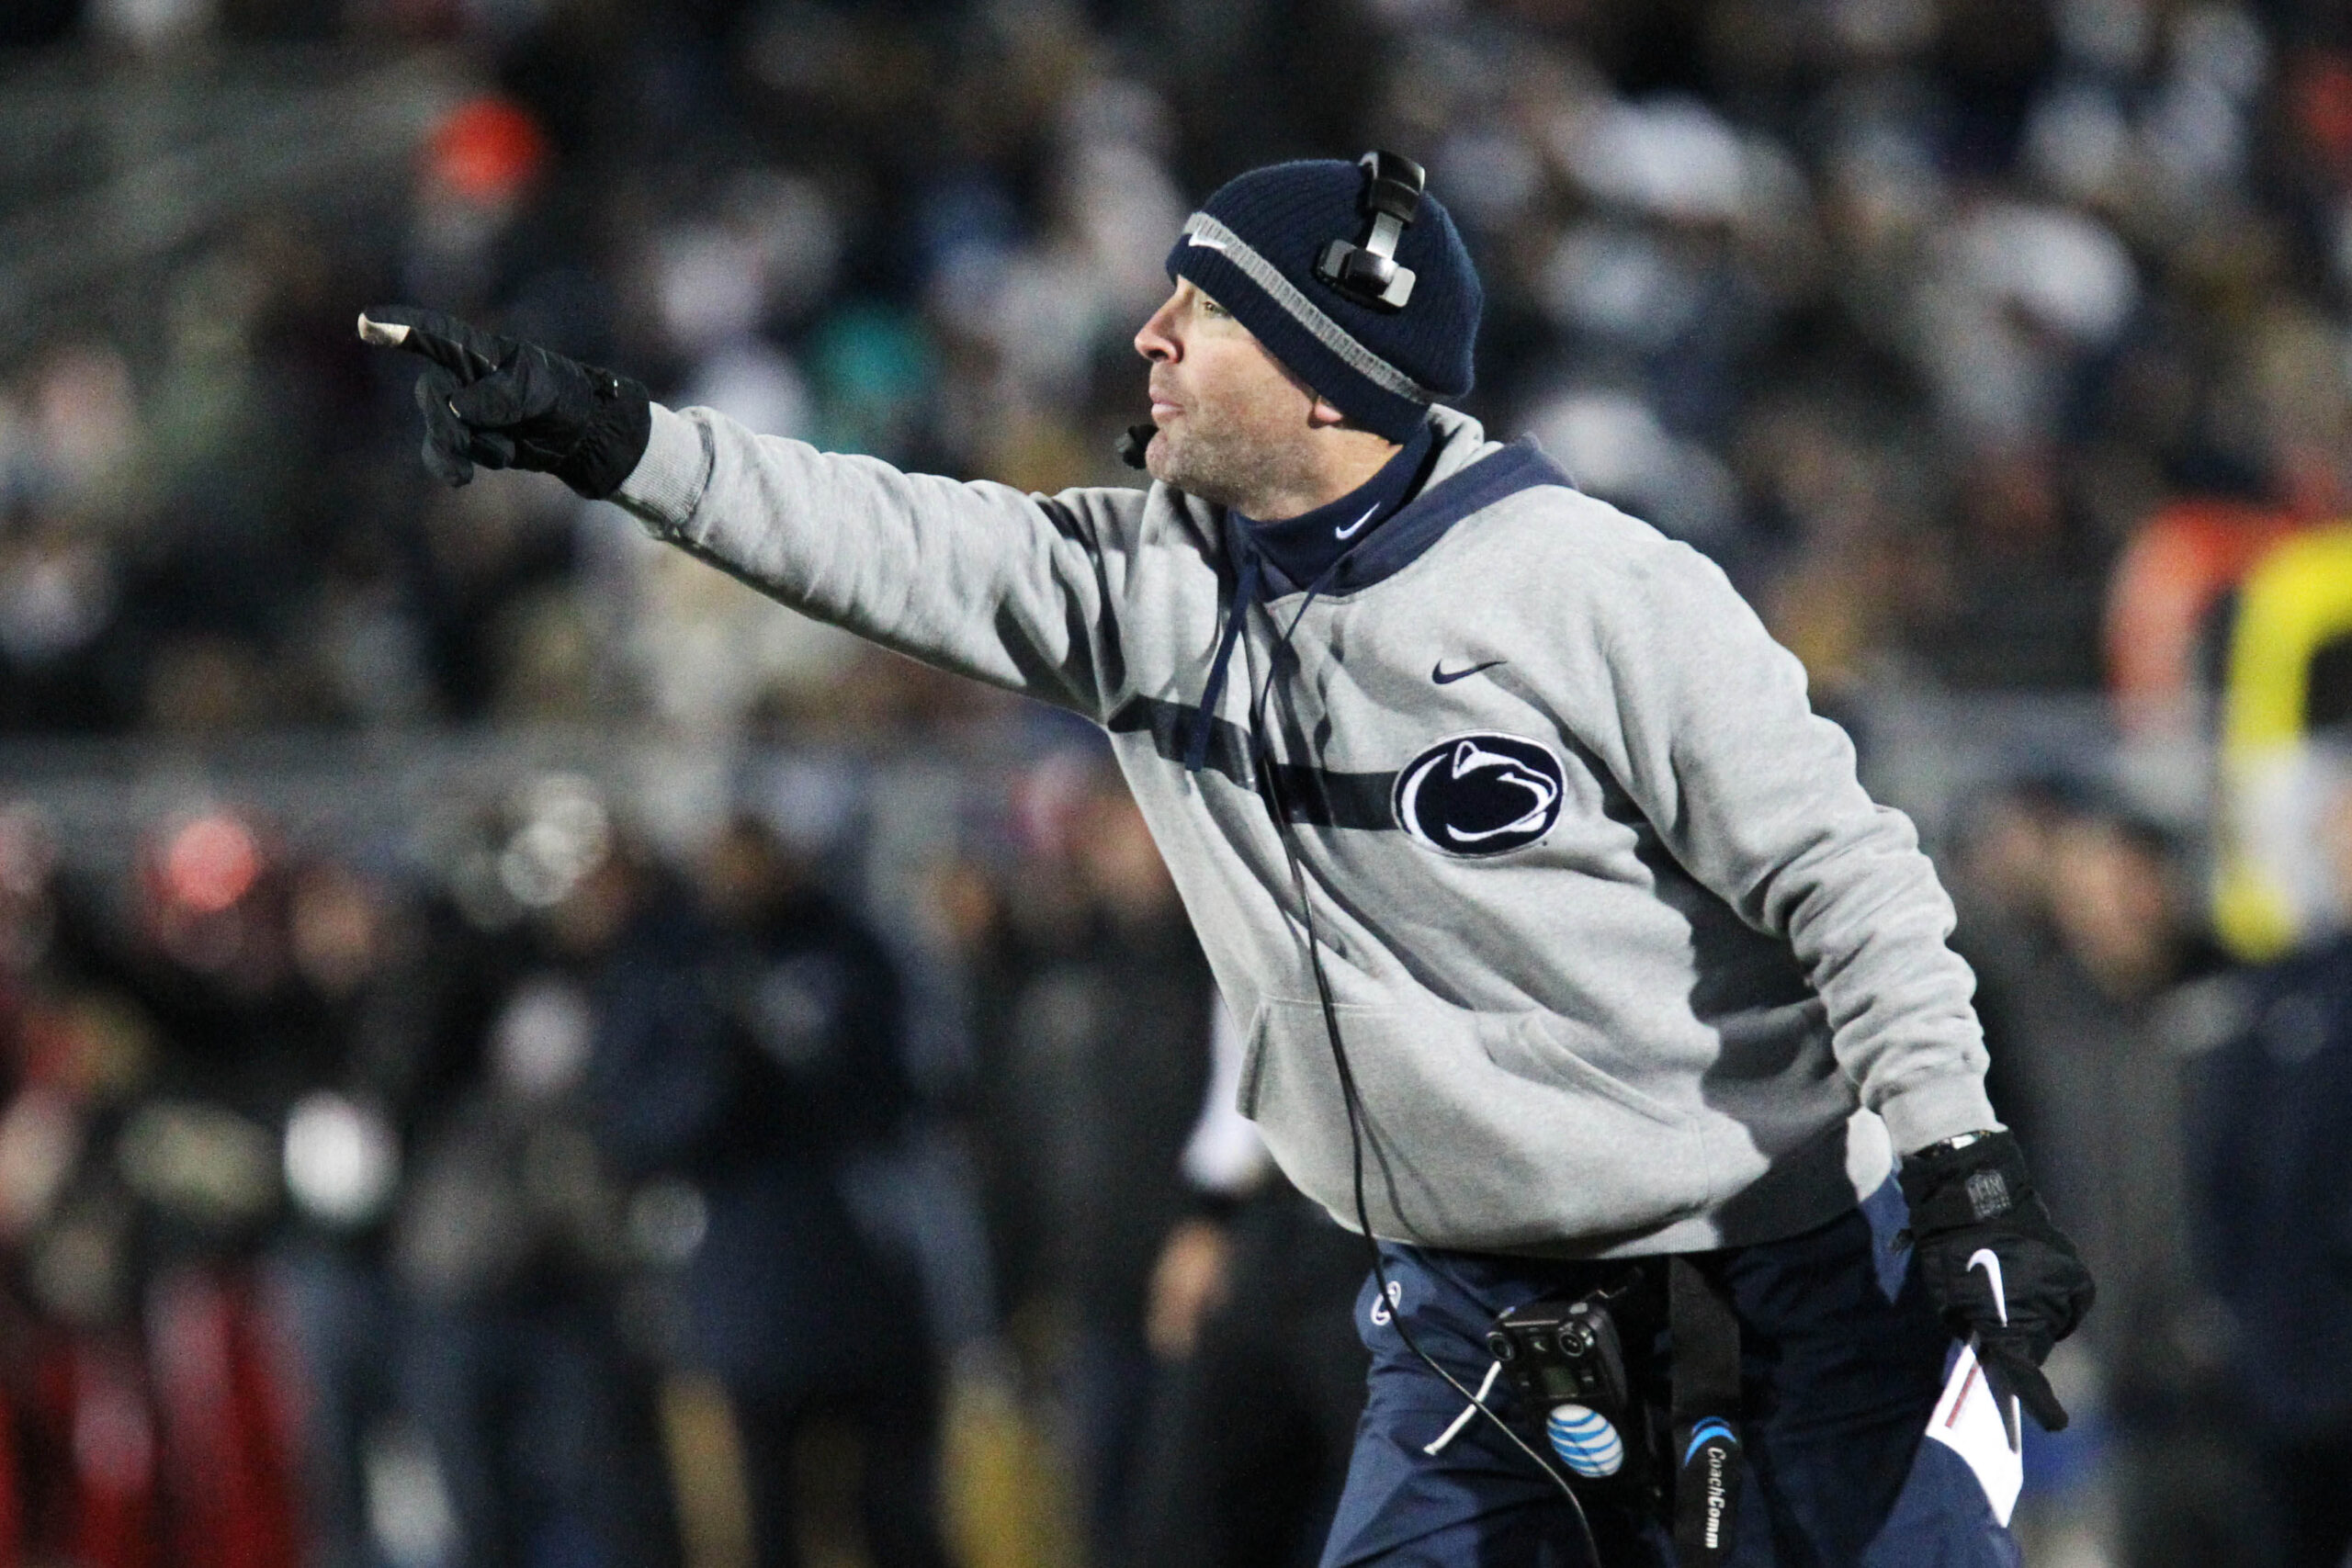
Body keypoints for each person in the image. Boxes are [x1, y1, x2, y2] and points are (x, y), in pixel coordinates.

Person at [362, 152, 2093, 1566]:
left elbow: (1849, 876)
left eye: (1208, 306)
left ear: (1334, 369)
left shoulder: (1589, 587)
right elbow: (880, 536)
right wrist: (618, 443)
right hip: (1474, 1321)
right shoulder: (1150, 586)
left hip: (1781, 1279)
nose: (1152, 334)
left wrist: (1959, 1159)